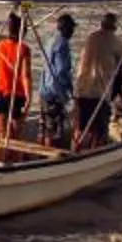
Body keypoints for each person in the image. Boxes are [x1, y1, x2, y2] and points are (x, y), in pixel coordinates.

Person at [74, 11, 122, 147]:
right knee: (99, 132)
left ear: (101, 24)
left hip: (81, 90)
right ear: (114, 27)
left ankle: (75, 149)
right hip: (100, 93)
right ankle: (94, 154)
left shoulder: (90, 37)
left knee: (79, 127)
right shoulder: (114, 40)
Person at [0, 13, 32, 141]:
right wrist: (29, 98)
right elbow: (25, 76)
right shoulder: (24, 49)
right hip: (17, 96)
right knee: (17, 135)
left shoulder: (0, 46)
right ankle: (15, 158)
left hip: (1, 95)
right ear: (22, 31)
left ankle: (2, 157)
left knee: (0, 132)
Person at [38, 13, 78, 146]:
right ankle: (51, 157)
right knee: (53, 129)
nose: (73, 32)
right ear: (67, 29)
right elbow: (61, 71)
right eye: (72, 29)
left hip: (44, 89)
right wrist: (69, 93)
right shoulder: (63, 44)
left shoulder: (50, 41)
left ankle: (41, 156)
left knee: (44, 126)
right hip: (55, 92)